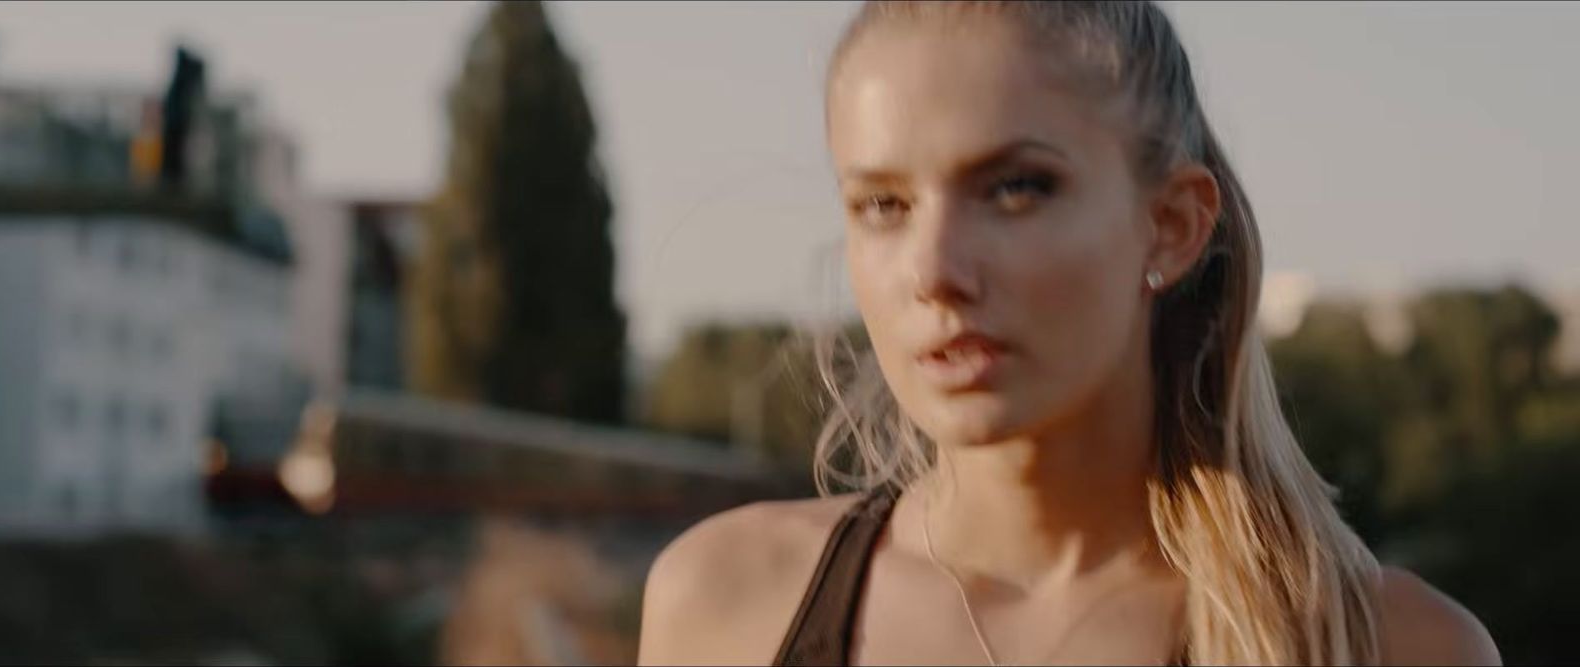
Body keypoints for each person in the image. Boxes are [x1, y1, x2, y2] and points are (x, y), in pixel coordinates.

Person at [637, 2, 1501, 665]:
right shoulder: (723, 602)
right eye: (884, 204)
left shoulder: (1384, 645)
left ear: (1170, 224)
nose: (934, 269)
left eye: (1016, 188)